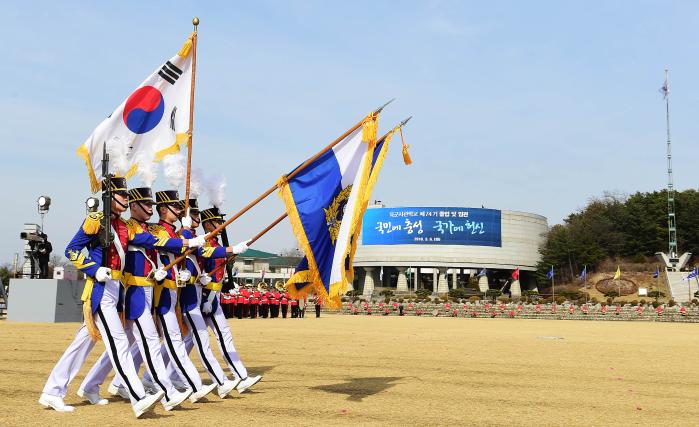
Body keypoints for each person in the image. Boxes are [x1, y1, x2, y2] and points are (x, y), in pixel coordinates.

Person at [39, 178, 166, 417]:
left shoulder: (124, 226)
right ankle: (139, 397)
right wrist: (93, 268)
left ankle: (54, 391)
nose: (127, 200)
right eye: (123, 195)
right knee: (119, 342)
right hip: (100, 289)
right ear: (110, 196)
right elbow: (71, 250)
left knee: (81, 345)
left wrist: (190, 241)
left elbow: (151, 241)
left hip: (117, 289)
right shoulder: (96, 220)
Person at [77, 187, 205, 409]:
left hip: (137, 290)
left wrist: (162, 267)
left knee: (126, 344)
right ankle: (165, 392)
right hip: (127, 290)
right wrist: (186, 240)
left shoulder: (134, 227)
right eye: (145, 204)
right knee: (136, 343)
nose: (150, 208)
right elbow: (156, 242)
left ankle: (93, 385)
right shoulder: (127, 226)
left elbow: (155, 247)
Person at [199, 206, 262, 392]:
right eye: (218, 222)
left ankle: (240, 376)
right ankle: (240, 377)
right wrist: (231, 249)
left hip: (215, 294)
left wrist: (228, 283)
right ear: (208, 224)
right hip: (205, 296)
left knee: (191, 340)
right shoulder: (206, 244)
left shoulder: (217, 245)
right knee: (203, 338)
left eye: (221, 221)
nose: (221, 225)